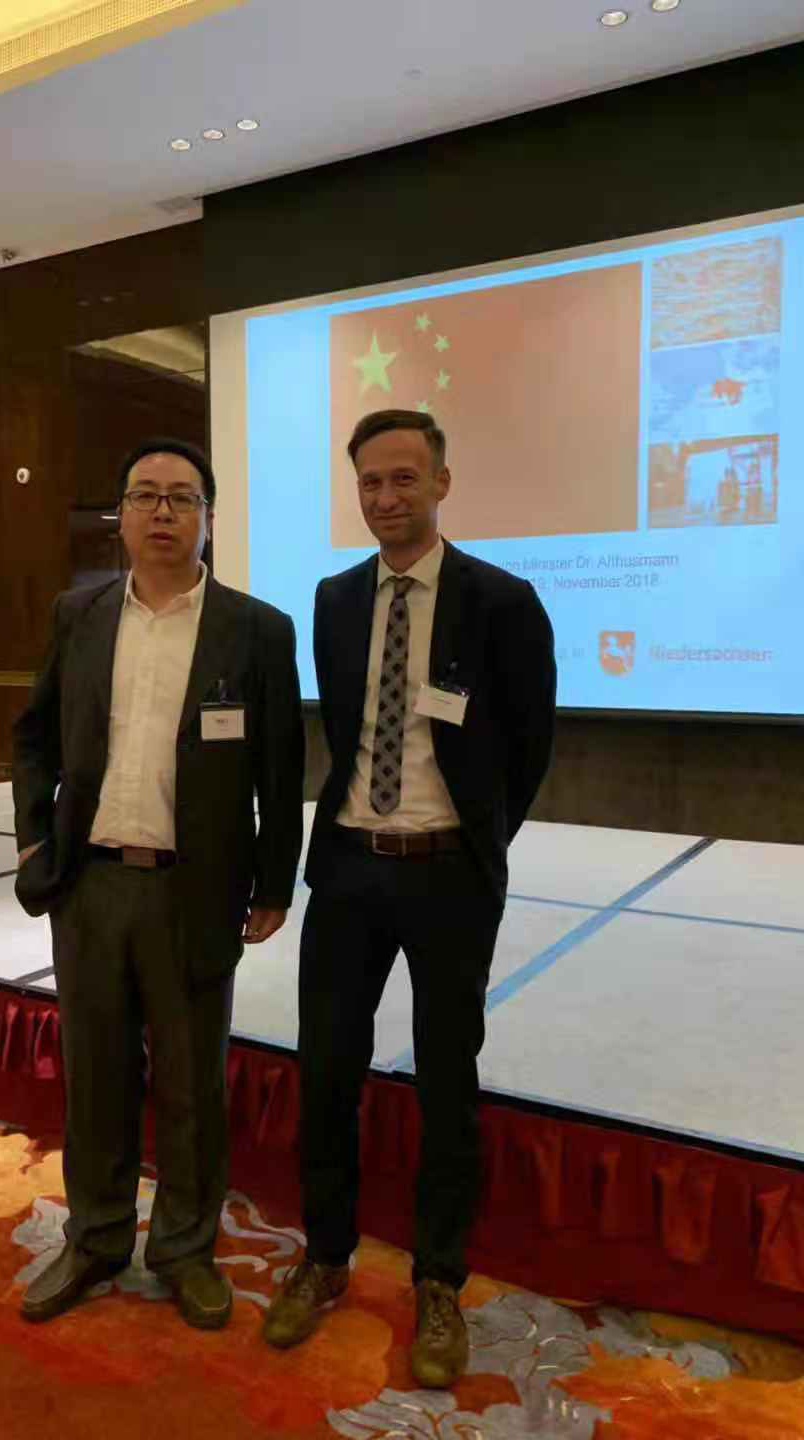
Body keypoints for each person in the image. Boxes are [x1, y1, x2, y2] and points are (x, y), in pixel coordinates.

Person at [263, 409, 555, 1387]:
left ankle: (437, 1280)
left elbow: (530, 747)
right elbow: (344, 732)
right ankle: (325, 1256)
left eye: (403, 478)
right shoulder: (336, 599)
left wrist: (474, 845)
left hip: (447, 875)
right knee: (326, 1071)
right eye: (370, 483)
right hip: (349, 867)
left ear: (441, 482)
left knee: (446, 1082)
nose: (386, 498)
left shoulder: (501, 601)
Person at [12, 438, 304, 1329]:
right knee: (95, 1079)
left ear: (209, 515)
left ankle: (183, 1249)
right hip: (91, 888)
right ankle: (97, 1237)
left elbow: (281, 769)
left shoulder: (257, 630)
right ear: (123, 516)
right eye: (145, 495)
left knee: (191, 1087)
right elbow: (34, 737)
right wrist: (33, 845)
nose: (163, 512)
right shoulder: (80, 613)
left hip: (195, 891)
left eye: (183, 497)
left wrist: (274, 883)